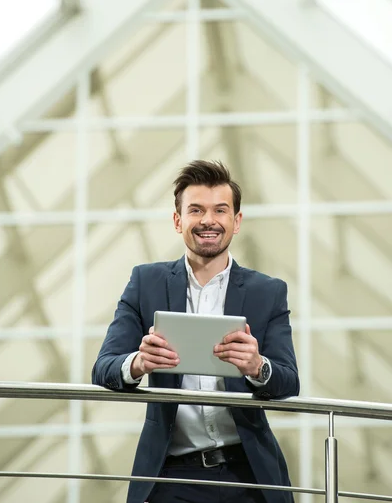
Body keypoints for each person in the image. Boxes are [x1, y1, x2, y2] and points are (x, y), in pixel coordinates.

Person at [92, 160, 299, 503]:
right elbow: (104, 367)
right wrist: (138, 363)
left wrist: (257, 366)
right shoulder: (146, 283)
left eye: (220, 210)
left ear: (236, 221)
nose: (208, 220)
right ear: (178, 221)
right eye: (196, 210)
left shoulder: (268, 292)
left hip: (247, 473)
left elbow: (288, 380)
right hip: (171, 474)